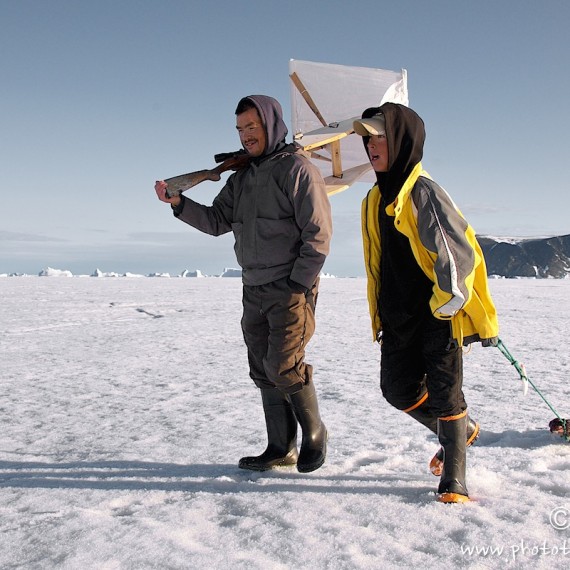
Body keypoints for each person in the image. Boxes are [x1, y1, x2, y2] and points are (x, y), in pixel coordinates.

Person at [155, 95, 332, 473]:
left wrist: (298, 285)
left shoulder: (298, 170)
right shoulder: (242, 177)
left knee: (284, 365)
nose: (246, 135)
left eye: (252, 127)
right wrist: (178, 203)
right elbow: (217, 220)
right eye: (240, 129)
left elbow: (317, 236)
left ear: (270, 125)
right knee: (262, 368)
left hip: (289, 288)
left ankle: (315, 433)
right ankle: (280, 447)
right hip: (253, 287)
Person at [353, 103, 499, 503]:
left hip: (438, 312)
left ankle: (454, 479)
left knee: (445, 391)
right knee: (398, 390)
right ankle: (460, 431)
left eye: (380, 136)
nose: (372, 145)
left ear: (402, 140)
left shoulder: (423, 191)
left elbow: (456, 252)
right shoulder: (373, 198)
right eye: (368, 138)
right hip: (398, 315)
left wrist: (447, 303)